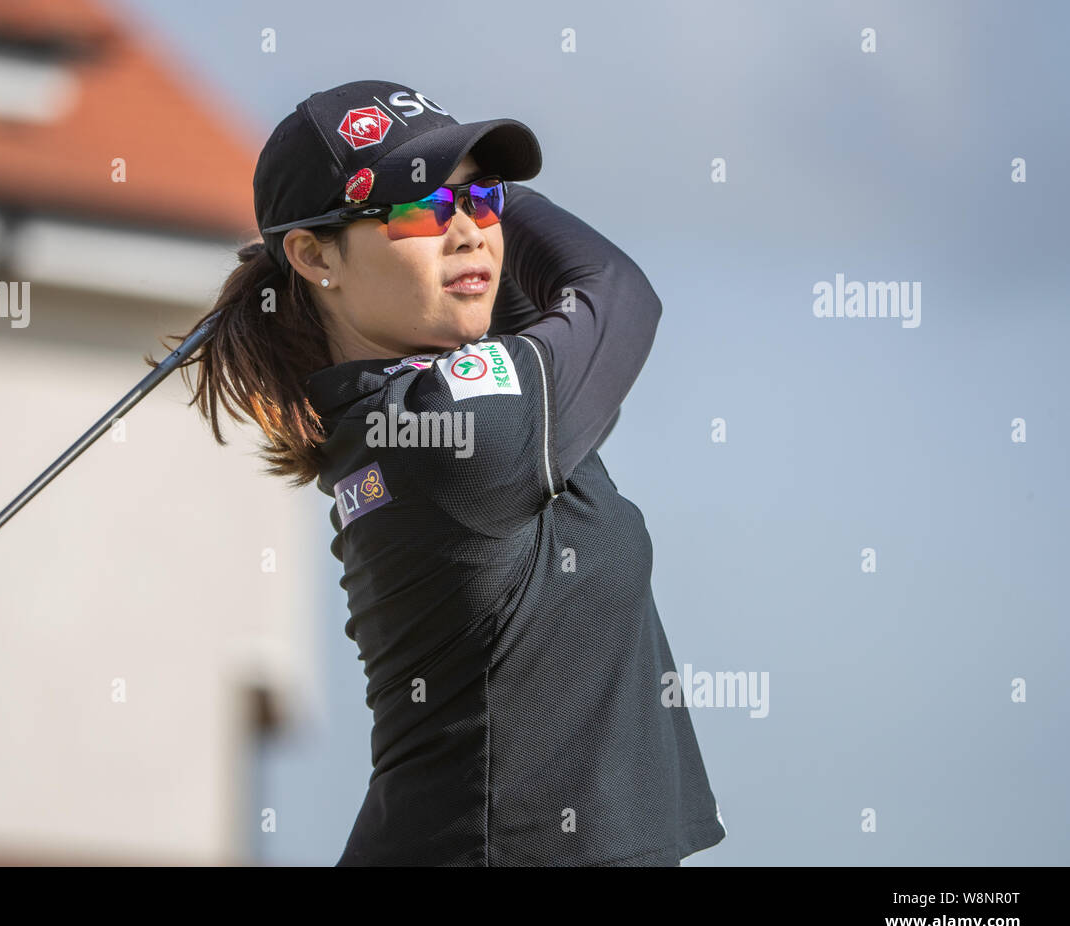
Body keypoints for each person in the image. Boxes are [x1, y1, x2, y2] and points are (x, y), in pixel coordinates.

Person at [158, 79, 727, 866]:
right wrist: (487, 200)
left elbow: (532, 297)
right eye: (418, 206)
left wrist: (448, 197)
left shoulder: (412, 406)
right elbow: (615, 291)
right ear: (313, 256)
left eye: (484, 200)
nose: (468, 231)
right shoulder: (458, 422)